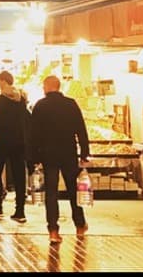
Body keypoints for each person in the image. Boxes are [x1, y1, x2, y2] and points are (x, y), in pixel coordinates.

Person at [29, 74, 90, 244]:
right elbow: (81, 129)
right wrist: (84, 152)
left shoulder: (40, 106)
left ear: (47, 87)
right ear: (59, 86)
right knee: (73, 190)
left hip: (48, 155)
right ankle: (79, 225)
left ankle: (53, 230)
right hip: (68, 153)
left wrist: (34, 157)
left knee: (51, 192)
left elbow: (33, 134)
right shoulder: (70, 104)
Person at [0, 70, 31, 222]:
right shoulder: (21, 99)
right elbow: (25, 119)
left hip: (2, 141)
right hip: (19, 142)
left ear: (4, 81)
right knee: (19, 175)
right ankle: (20, 210)